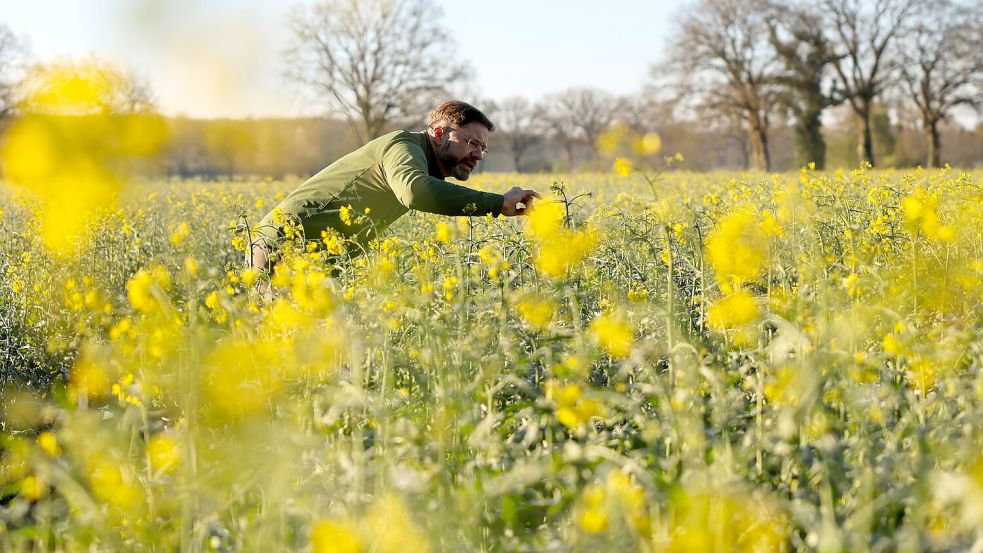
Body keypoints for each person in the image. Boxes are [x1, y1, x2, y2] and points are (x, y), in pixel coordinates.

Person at [249, 100, 540, 272]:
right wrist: (496, 203)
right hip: (284, 245)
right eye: (472, 143)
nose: (477, 155)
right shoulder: (402, 145)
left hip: (315, 258)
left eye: (483, 149)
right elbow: (415, 191)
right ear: (439, 133)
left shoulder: (422, 160)